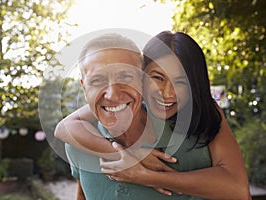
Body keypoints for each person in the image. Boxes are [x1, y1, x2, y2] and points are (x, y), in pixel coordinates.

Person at [55, 31, 251, 199]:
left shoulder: (202, 120)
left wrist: (146, 176)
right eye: (158, 78)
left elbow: (239, 190)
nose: (168, 93)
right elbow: (66, 127)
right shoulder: (83, 139)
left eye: (181, 82)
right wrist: (127, 155)